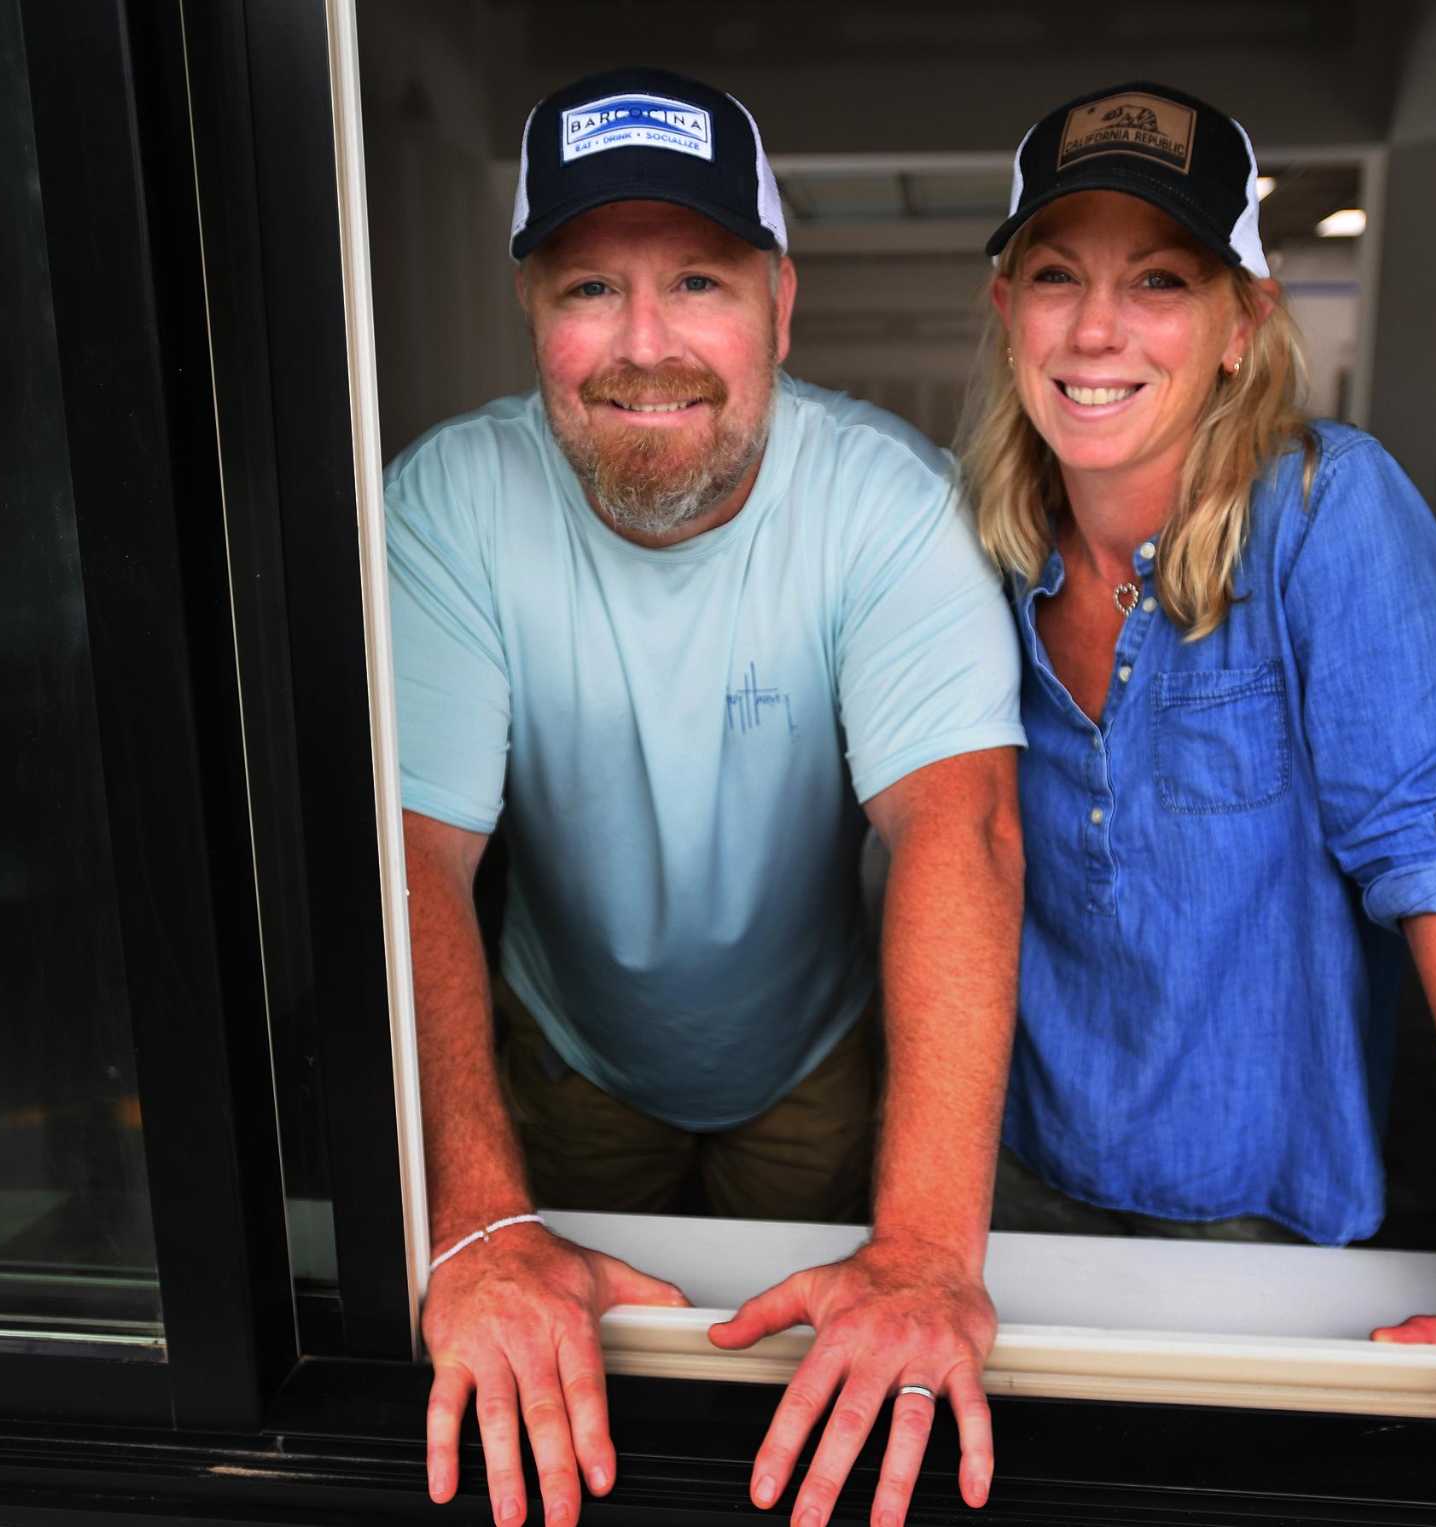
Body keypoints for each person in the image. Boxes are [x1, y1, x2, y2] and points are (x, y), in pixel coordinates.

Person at [960, 81, 1436, 1527]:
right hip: (1022, 1166)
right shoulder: (984, 544)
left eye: (1159, 282)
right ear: (1007, 309)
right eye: (1056, 276)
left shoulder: (1323, 512)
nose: (1097, 330)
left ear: (1243, 322)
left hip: (1261, 1201)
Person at [387, 67, 1024, 1527]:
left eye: (697, 281)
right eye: (589, 288)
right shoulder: (447, 506)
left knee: (794, 1423)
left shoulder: (890, 504)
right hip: (558, 1054)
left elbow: (963, 827)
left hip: (812, 1060)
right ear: (531, 312)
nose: (645, 343)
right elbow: (412, 855)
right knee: (568, 1413)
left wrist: (929, 1252)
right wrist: (477, 1223)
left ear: (780, 308)